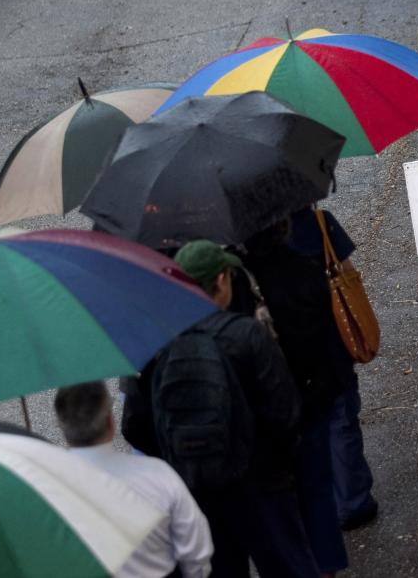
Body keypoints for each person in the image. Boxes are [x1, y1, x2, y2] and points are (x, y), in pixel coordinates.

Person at [122, 239, 321, 578]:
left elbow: (136, 424)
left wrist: (183, 460)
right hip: (263, 485)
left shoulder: (161, 346)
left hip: (200, 492)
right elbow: (285, 414)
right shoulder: (246, 335)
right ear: (221, 282)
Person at [242, 220, 349, 577]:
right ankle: (328, 564)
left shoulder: (247, 287)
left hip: (271, 407)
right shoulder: (304, 269)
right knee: (317, 486)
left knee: (280, 498)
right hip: (312, 393)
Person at [54, 381, 213, 578]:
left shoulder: (46, 488)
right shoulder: (158, 475)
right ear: (111, 421)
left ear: (62, 426)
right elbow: (196, 551)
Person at [288, 207, 378, 531]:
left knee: (300, 425)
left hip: (283, 349)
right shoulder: (319, 223)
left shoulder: (245, 240)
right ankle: (353, 501)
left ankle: (315, 500)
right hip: (328, 340)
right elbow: (347, 270)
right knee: (340, 417)